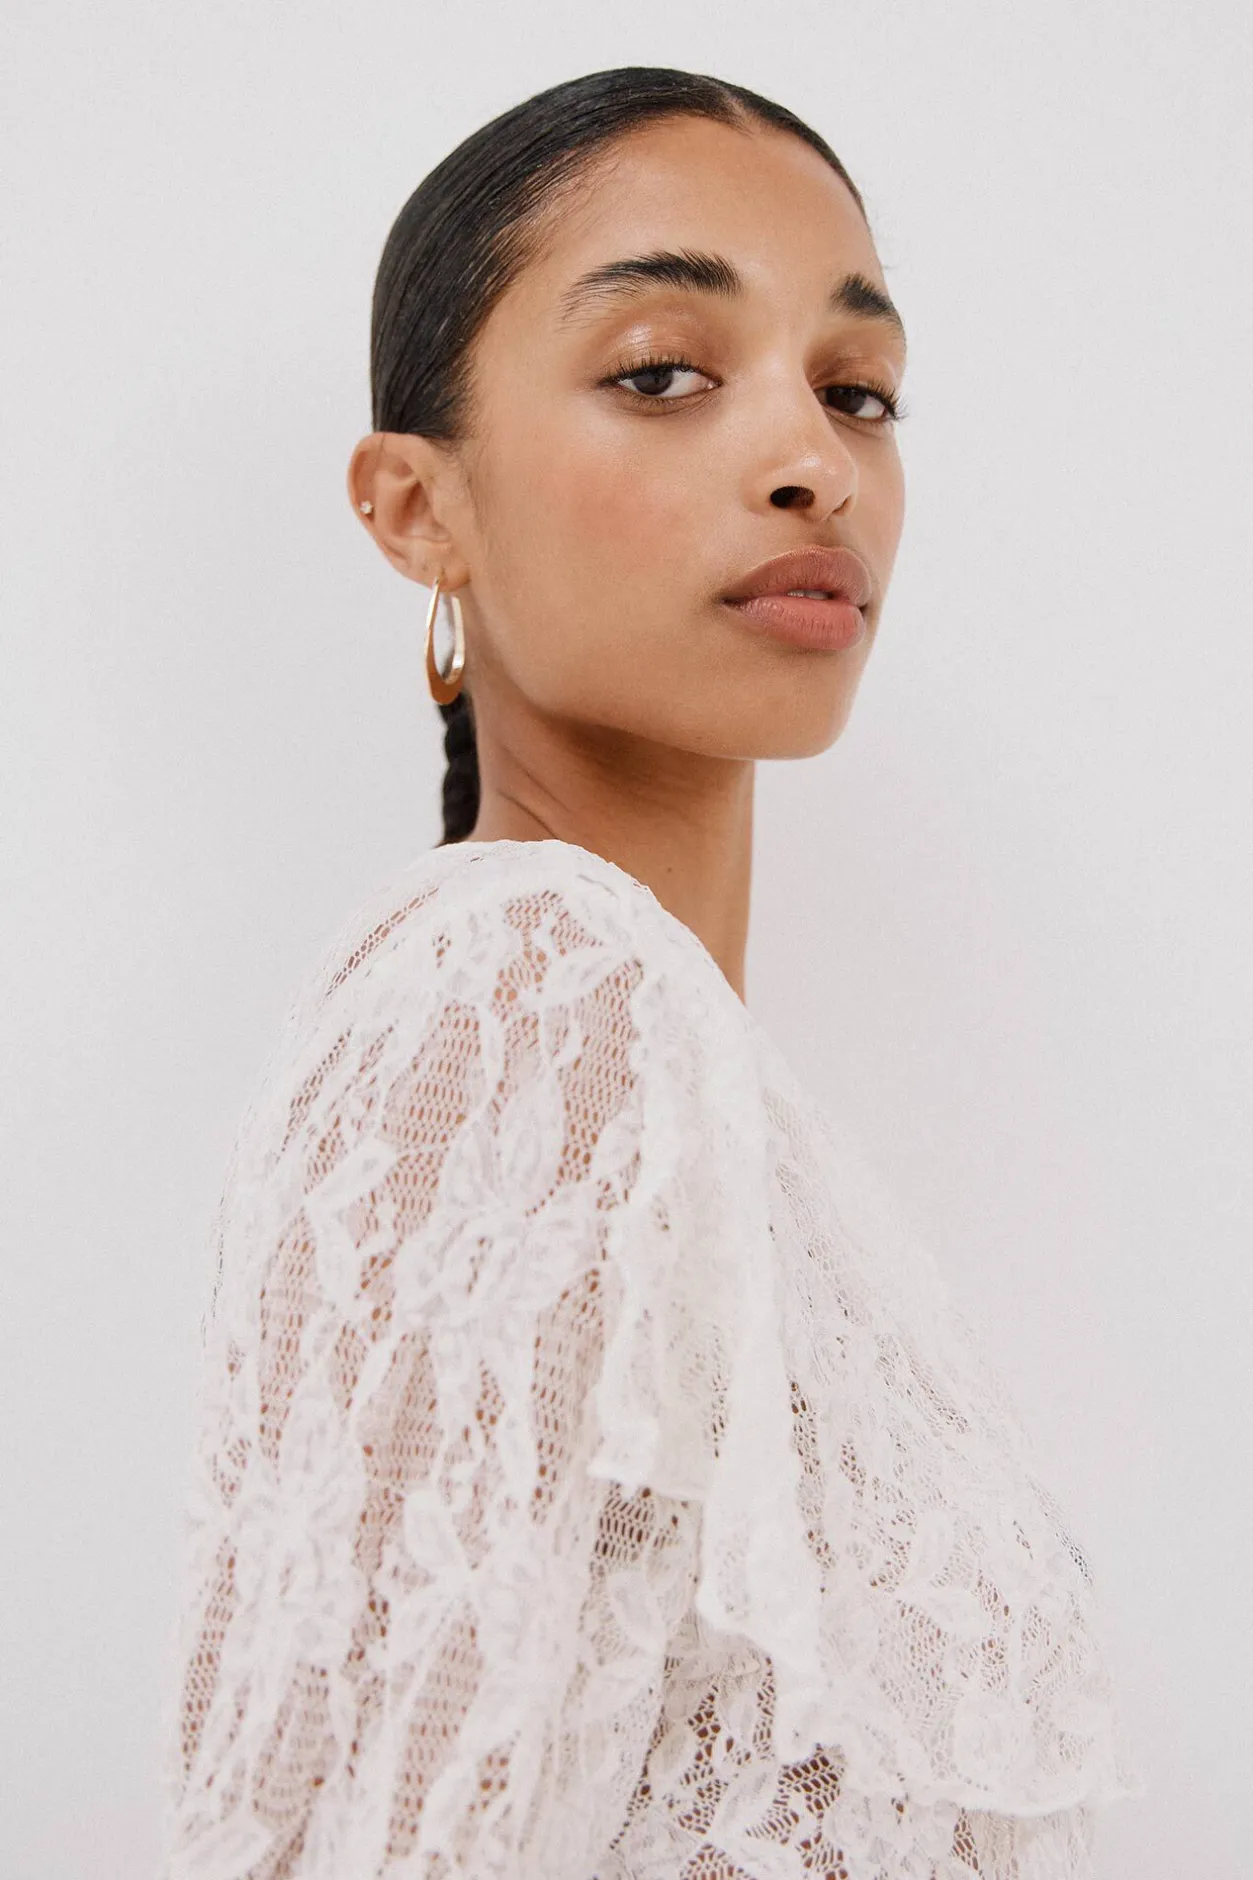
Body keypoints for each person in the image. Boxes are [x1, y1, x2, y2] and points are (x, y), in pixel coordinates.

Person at [158, 65, 1144, 1880]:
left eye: (857, 391)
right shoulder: (522, 992)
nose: (813, 461)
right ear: (416, 508)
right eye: (664, 372)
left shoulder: (683, 1071)